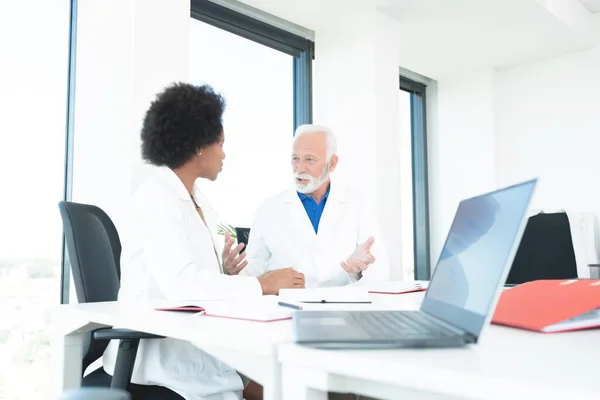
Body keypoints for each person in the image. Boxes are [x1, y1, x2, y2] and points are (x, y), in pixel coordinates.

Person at [102, 82, 304, 400]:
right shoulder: (155, 197)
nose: (224, 154)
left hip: (201, 351)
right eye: (220, 144)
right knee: (288, 390)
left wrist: (224, 269)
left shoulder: (199, 202)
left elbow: (192, 277)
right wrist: (263, 283)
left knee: (295, 388)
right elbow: (183, 286)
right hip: (164, 367)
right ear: (198, 144)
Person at [230, 124, 390, 286]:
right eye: (295, 159)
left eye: (309, 160)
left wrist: (358, 271)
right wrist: (231, 273)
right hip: (286, 307)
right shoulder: (269, 209)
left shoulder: (357, 204)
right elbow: (252, 272)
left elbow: (379, 270)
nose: (300, 168)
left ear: (332, 163)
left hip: (342, 307)